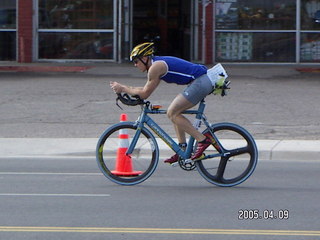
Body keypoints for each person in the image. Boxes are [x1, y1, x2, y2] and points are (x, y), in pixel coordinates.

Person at [110, 42, 217, 164]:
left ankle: (203, 140)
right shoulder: (155, 65)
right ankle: (182, 150)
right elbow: (144, 90)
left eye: (136, 61)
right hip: (200, 80)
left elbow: (144, 94)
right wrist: (126, 89)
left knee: (172, 112)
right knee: (175, 113)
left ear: (144, 58)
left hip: (201, 81)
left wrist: (123, 88)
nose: (135, 65)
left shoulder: (156, 67)